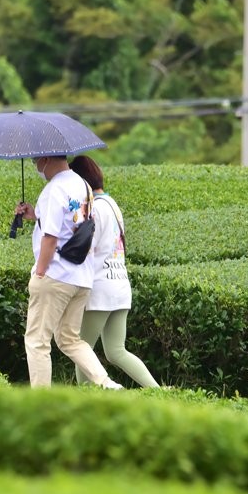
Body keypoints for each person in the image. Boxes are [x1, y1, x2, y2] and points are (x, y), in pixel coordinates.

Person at [14, 155, 123, 389]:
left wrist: (40, 273)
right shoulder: (83, 185)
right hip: (82, 276)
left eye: (35, 162)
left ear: (46, 159)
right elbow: (73, 223)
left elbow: (51, 239)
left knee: (37, 341)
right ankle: (107, 384)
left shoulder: (54, 190)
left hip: (56, 276)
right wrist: (35, 215)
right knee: (68, 338)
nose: (36, 166)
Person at [68, 155, 159, 388]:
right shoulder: (111, 203)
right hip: (119, 284)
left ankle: (84, 395)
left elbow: (90, 247)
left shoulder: (97, 208)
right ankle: (157, 391)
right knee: (116, 351)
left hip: (101, 288)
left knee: (81, 348)